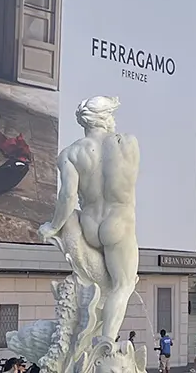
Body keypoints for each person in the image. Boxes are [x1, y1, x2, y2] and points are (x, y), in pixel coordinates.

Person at [39, 97, 140, 342]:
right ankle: (105, 343)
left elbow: (67, 197)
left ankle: (88, 331)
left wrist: (53, 227)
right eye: (112, 114)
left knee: (104, 285)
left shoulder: (70, 153)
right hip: (119, 223)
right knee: (123, 285)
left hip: (90, 226)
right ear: (105, 117)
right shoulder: (127, 143)